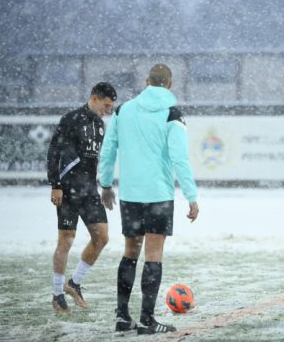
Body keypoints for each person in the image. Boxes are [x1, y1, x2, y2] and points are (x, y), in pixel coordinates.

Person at [99, 64, 199, 335]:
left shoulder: (123, 110)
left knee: (130, 253)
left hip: (131, 195)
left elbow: (109, 149)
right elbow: (180, 159)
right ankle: (146, 320)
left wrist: (106, 184)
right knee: (153, 255)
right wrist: (192, 196)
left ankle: (122, 317)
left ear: (146, 82)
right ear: (169, 84)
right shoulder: (172, 114)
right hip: (158, 195)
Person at [47, 82, 117, 314]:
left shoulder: (99, 125)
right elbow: (54, 152)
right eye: (106, 104)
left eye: (111, 106)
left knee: (102, 238)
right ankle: (58, 294)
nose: (108, 109)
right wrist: (56, 184)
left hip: (88, 191)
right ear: (94, 98)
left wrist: (104, 187)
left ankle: (74, 283)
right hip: (67, 189)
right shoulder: (71, 119)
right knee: (66, 240)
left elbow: (98, 160)